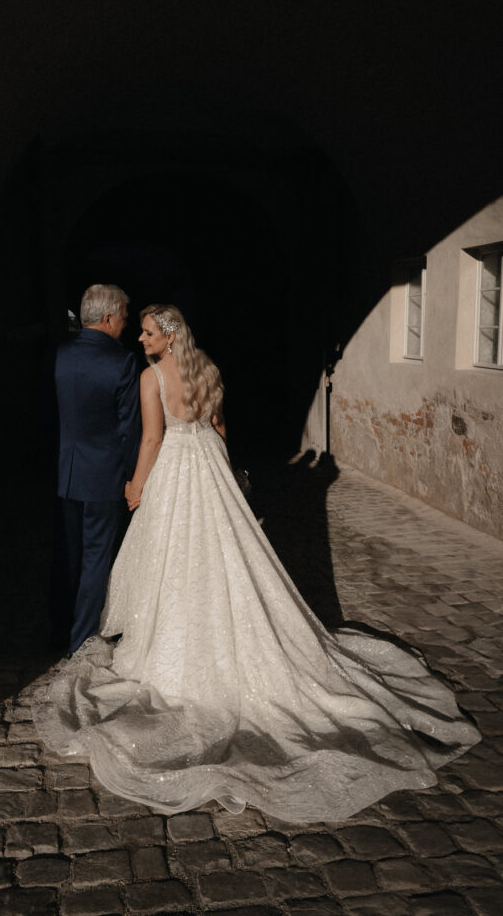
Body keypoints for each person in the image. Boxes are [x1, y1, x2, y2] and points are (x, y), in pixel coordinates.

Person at [33, 304, 480, 823]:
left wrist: (136, 485)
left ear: (170, 338)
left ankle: (181, 643)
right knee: (225, 557)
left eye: (149, 332)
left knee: (175, 564)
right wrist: (229, 485)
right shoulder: (210, 372)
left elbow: (152, 439)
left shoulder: (152, 378)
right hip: (210, 472)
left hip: (174, 473)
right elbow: (221, 431)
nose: (141, 337)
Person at [51, 284, 141, 656]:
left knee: (68, 557)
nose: (125, 325)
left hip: (66, 473)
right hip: (104, 476)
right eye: (123, 317)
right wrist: (136, 477)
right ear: (107, 318)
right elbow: (129, 430)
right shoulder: (122, 362)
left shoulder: (59, 355)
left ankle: (58, 632)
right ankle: (82, 642)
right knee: (96, 560)